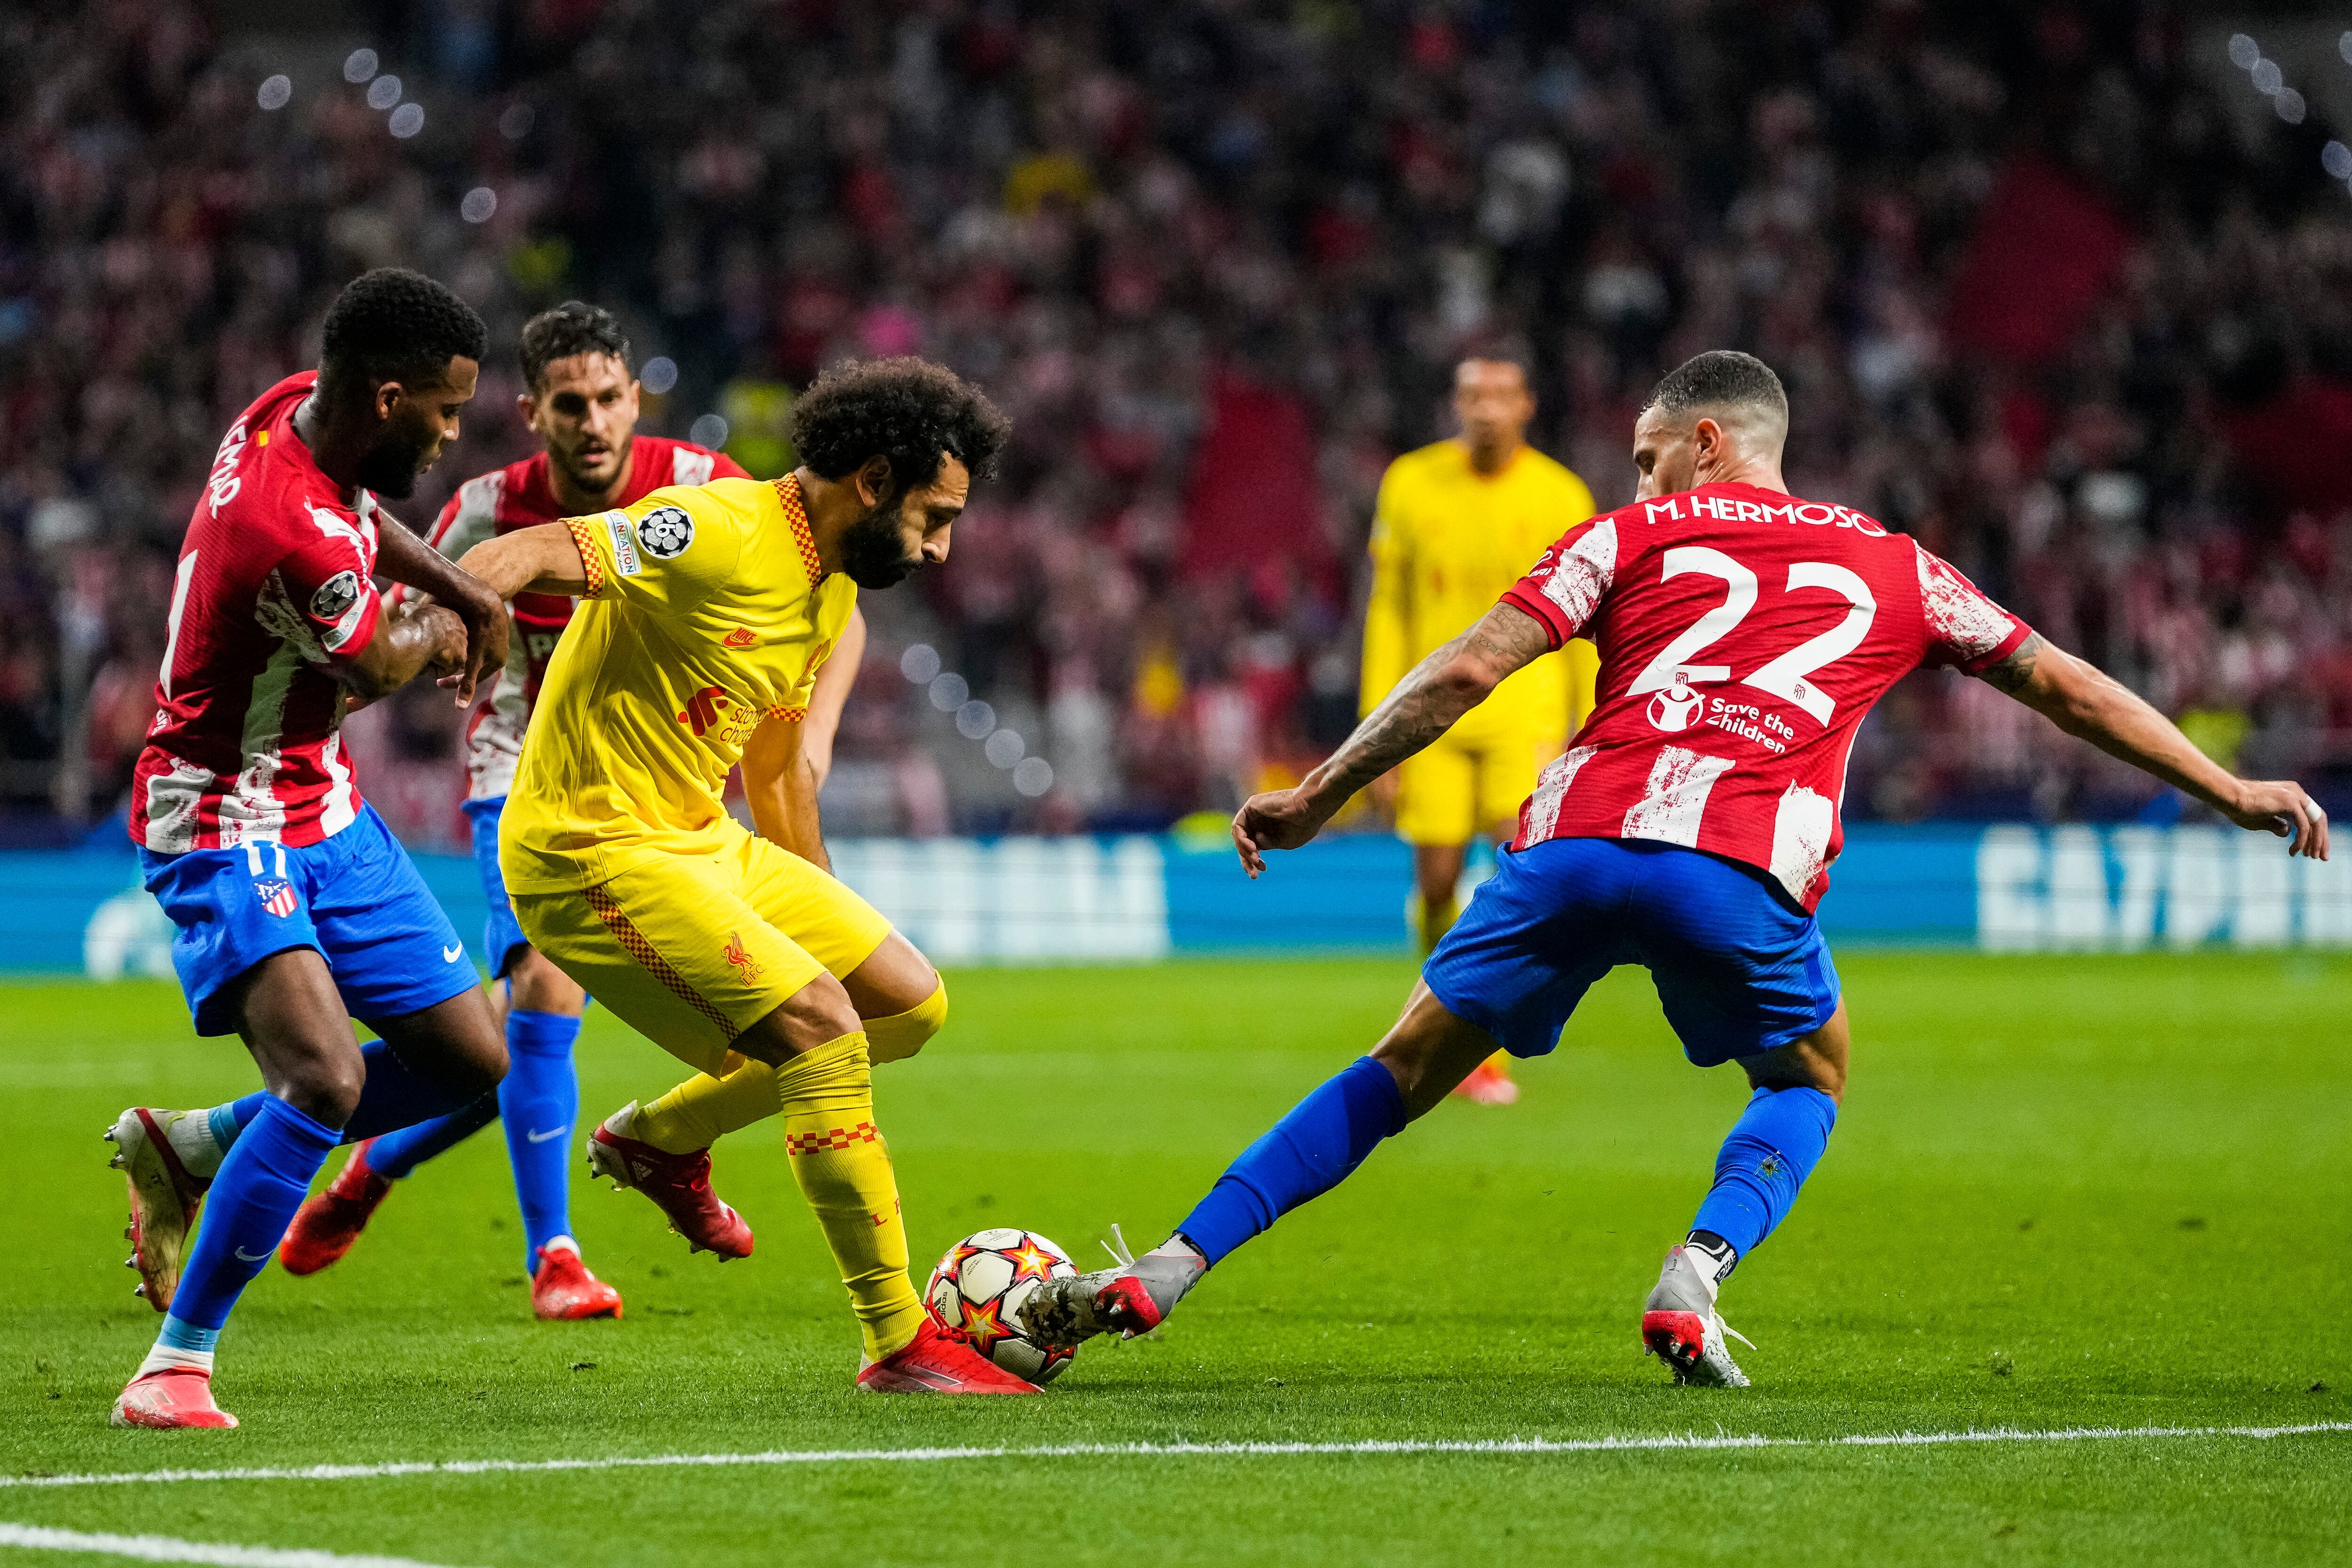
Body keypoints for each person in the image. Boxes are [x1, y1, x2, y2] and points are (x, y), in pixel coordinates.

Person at [1020, 350, 2329, 1387]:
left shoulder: (1619, 539)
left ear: (1708, 441)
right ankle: (1696, 1271)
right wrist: (2225, 785)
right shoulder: (1901, 567)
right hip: (1739, 866)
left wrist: (1319, 792)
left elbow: (1468, 668)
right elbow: (2064, 684)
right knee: (1809, 1075)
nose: (1639, 480)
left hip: (1576, 843)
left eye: (1649, 457)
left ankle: (1175, 1260)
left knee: (1402, 1066)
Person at [264, 303, 862, 1322]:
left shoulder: (703, 488)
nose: (593, 422)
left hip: (660, 793)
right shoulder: (485, 514)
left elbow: (830, 601)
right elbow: (390, 625)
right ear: (533, 412)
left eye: (609, 399)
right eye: (570, 404)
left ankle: (368, 1167)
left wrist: (811, 735)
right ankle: (556, 1256)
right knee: (545, 990)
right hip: (522, 778)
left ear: (637, 400)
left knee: (503, 1039)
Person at [450, 356, 1033, 1393]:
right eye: (935, 516)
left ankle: (661, 1138)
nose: (942, 547)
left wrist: (816, 924)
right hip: (587, 848)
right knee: (824, 1029)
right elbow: (531, 548)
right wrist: (467, 607)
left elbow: (775, 770)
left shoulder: (830, 585)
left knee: (908, 1003)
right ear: (873, 480)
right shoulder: (714, 528)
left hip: (698, 840)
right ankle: (897, 1340)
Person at [102, 268, 515, 1429]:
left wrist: (464, 587)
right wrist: (450, 619)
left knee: (472, 1060)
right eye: (444, 410)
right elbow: (379, 662)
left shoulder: (291, 405)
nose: (452, 433)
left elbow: (364, 516)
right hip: (222, 817)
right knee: (326, 1080)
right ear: (387, 398)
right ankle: (174, 1366)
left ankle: (198, 1145)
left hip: (321, 805)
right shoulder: (283, 531)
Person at [1361, 357, 1598, 1105]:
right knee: (1435, 881)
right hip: (1432, 712)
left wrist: (1587, 723)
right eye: (1473, 395)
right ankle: (1443, 1020)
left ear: (1527, 404)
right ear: (1455, 404)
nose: (1486, 409)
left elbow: (1586, 623)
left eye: (1500, 395)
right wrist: (1379, 730)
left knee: (1516, 880)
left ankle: (1479, 1043)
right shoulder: (1410, 482)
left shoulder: (1560, 493)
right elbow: (1390, 610)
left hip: (1525, 713)